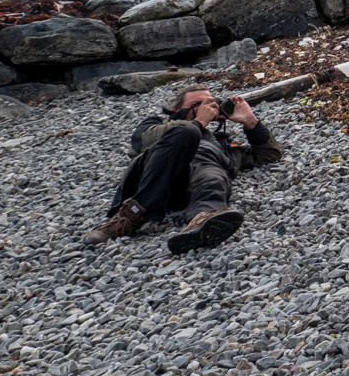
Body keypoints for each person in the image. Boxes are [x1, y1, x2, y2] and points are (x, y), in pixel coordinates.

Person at [83, 84, 282, 253]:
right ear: (176, 110)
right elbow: (141, 142)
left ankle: (202, 219)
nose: (207, 107)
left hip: (191, 187)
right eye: (197, 104)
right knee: (187, 132)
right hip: (155, 177)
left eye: (211, 103)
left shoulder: (222, 144)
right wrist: (199, 122)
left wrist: (250, 122)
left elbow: (268, 155)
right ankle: (129, 217)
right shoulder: (157, 125)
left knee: (213, 174)